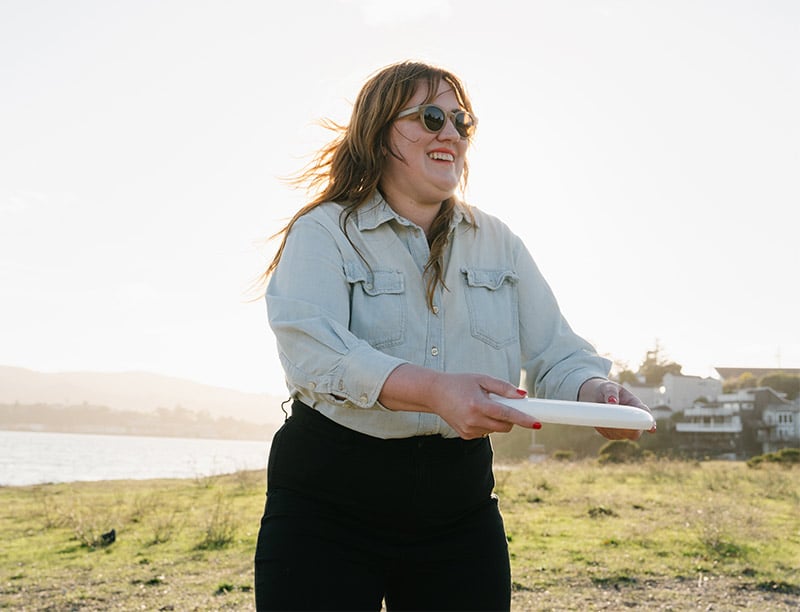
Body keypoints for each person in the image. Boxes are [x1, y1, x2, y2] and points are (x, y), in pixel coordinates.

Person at [254, 60, 653, 611]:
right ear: (378, 133)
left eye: (461, 122)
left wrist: (596, 395)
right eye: (431, 116)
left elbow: (557, 354)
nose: (450, 134)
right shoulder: (324, 232)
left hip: (458, 507)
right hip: (327, 502)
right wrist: (437, 391)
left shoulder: (500, 242)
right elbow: (315, 354)